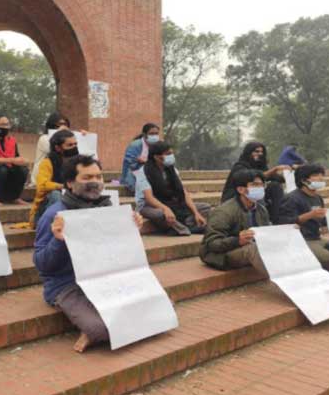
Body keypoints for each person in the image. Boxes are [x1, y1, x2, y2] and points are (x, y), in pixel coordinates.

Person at [33, 155, 143, 352]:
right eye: (86, 178)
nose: (95, 182)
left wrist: (131, 229)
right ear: (70, 183)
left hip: (103, 278)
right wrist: (58, 241)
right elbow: (43, 265)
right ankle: (93, 329)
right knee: (99, 328)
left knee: (156, 304)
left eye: (99, 177)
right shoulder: (54, 215)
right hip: (66, 285)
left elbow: (117, 251)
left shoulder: (108, 210)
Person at [276, 164, 329, 276]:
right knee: (328, 258)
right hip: (301, 240)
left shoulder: (317, 197)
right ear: (304, 180)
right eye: (316, 175)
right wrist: (308, 215)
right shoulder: (291, 198)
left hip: (316, 237)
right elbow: (283, 223)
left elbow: (323, 220)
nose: (321, 178)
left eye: (322, 175)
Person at [199, 169, 271, 275]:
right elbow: (212, 244)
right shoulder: (224, 211)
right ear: (241, 189)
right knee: (253, 249)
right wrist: (237, 240)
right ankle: (282, 281)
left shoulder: (261, 209)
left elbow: (266, 232)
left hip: (247, 247)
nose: (260, 188)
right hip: (221, 254)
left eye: (261, 185)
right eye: (255, 185)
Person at [135, 141, 210, 236]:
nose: (171, 156)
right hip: (149, 206)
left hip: (172, 203)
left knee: (205, 207)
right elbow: (149, 198)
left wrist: (196, 212)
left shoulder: (172, 170)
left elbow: (183, 192)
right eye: (168, 154)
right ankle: (186, 229)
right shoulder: (143, 172)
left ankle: (179, 227)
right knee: (160, 214)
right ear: (156, 157)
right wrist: (166, 209)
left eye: (172, 153)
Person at [221, 142, 290, 223]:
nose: (260, 154)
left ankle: (277, 219)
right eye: (256, 151)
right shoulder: (240, 166)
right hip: (238, 195)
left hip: (253, 193)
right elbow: (251, 177)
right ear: (249, 152)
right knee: (257, 190)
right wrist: (273, 170)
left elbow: (274, 177)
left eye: (262, 152)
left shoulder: (261, 166)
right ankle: (260, 221)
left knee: (275, 186)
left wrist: (285, 173)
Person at [28, 130, 79, 228]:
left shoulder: (78, 163)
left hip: (69, 202)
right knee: (56, 194)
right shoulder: (47, 163)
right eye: (70, 145)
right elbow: (42, 185)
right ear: (58, 148)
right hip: (42, 214)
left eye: (75, 144)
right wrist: (62, 186)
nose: (74, 147)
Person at [31, 113, 70, 186]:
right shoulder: (44, 139)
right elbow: (54, 149)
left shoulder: (70, 140)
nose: (63, 127)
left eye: (65, 124)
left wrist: (84, 137)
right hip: (44, 178)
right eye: (60, 124)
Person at [120, 123, 161, 193]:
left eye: (156, 133)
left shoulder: (159, 145)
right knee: (138, 189)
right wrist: (145, 163)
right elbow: (130, 164)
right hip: (133, 175)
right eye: (151, 134)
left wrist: (146, 162)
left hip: (151, 174)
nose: (154, 136)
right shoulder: (135, 145)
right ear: (144, 135)